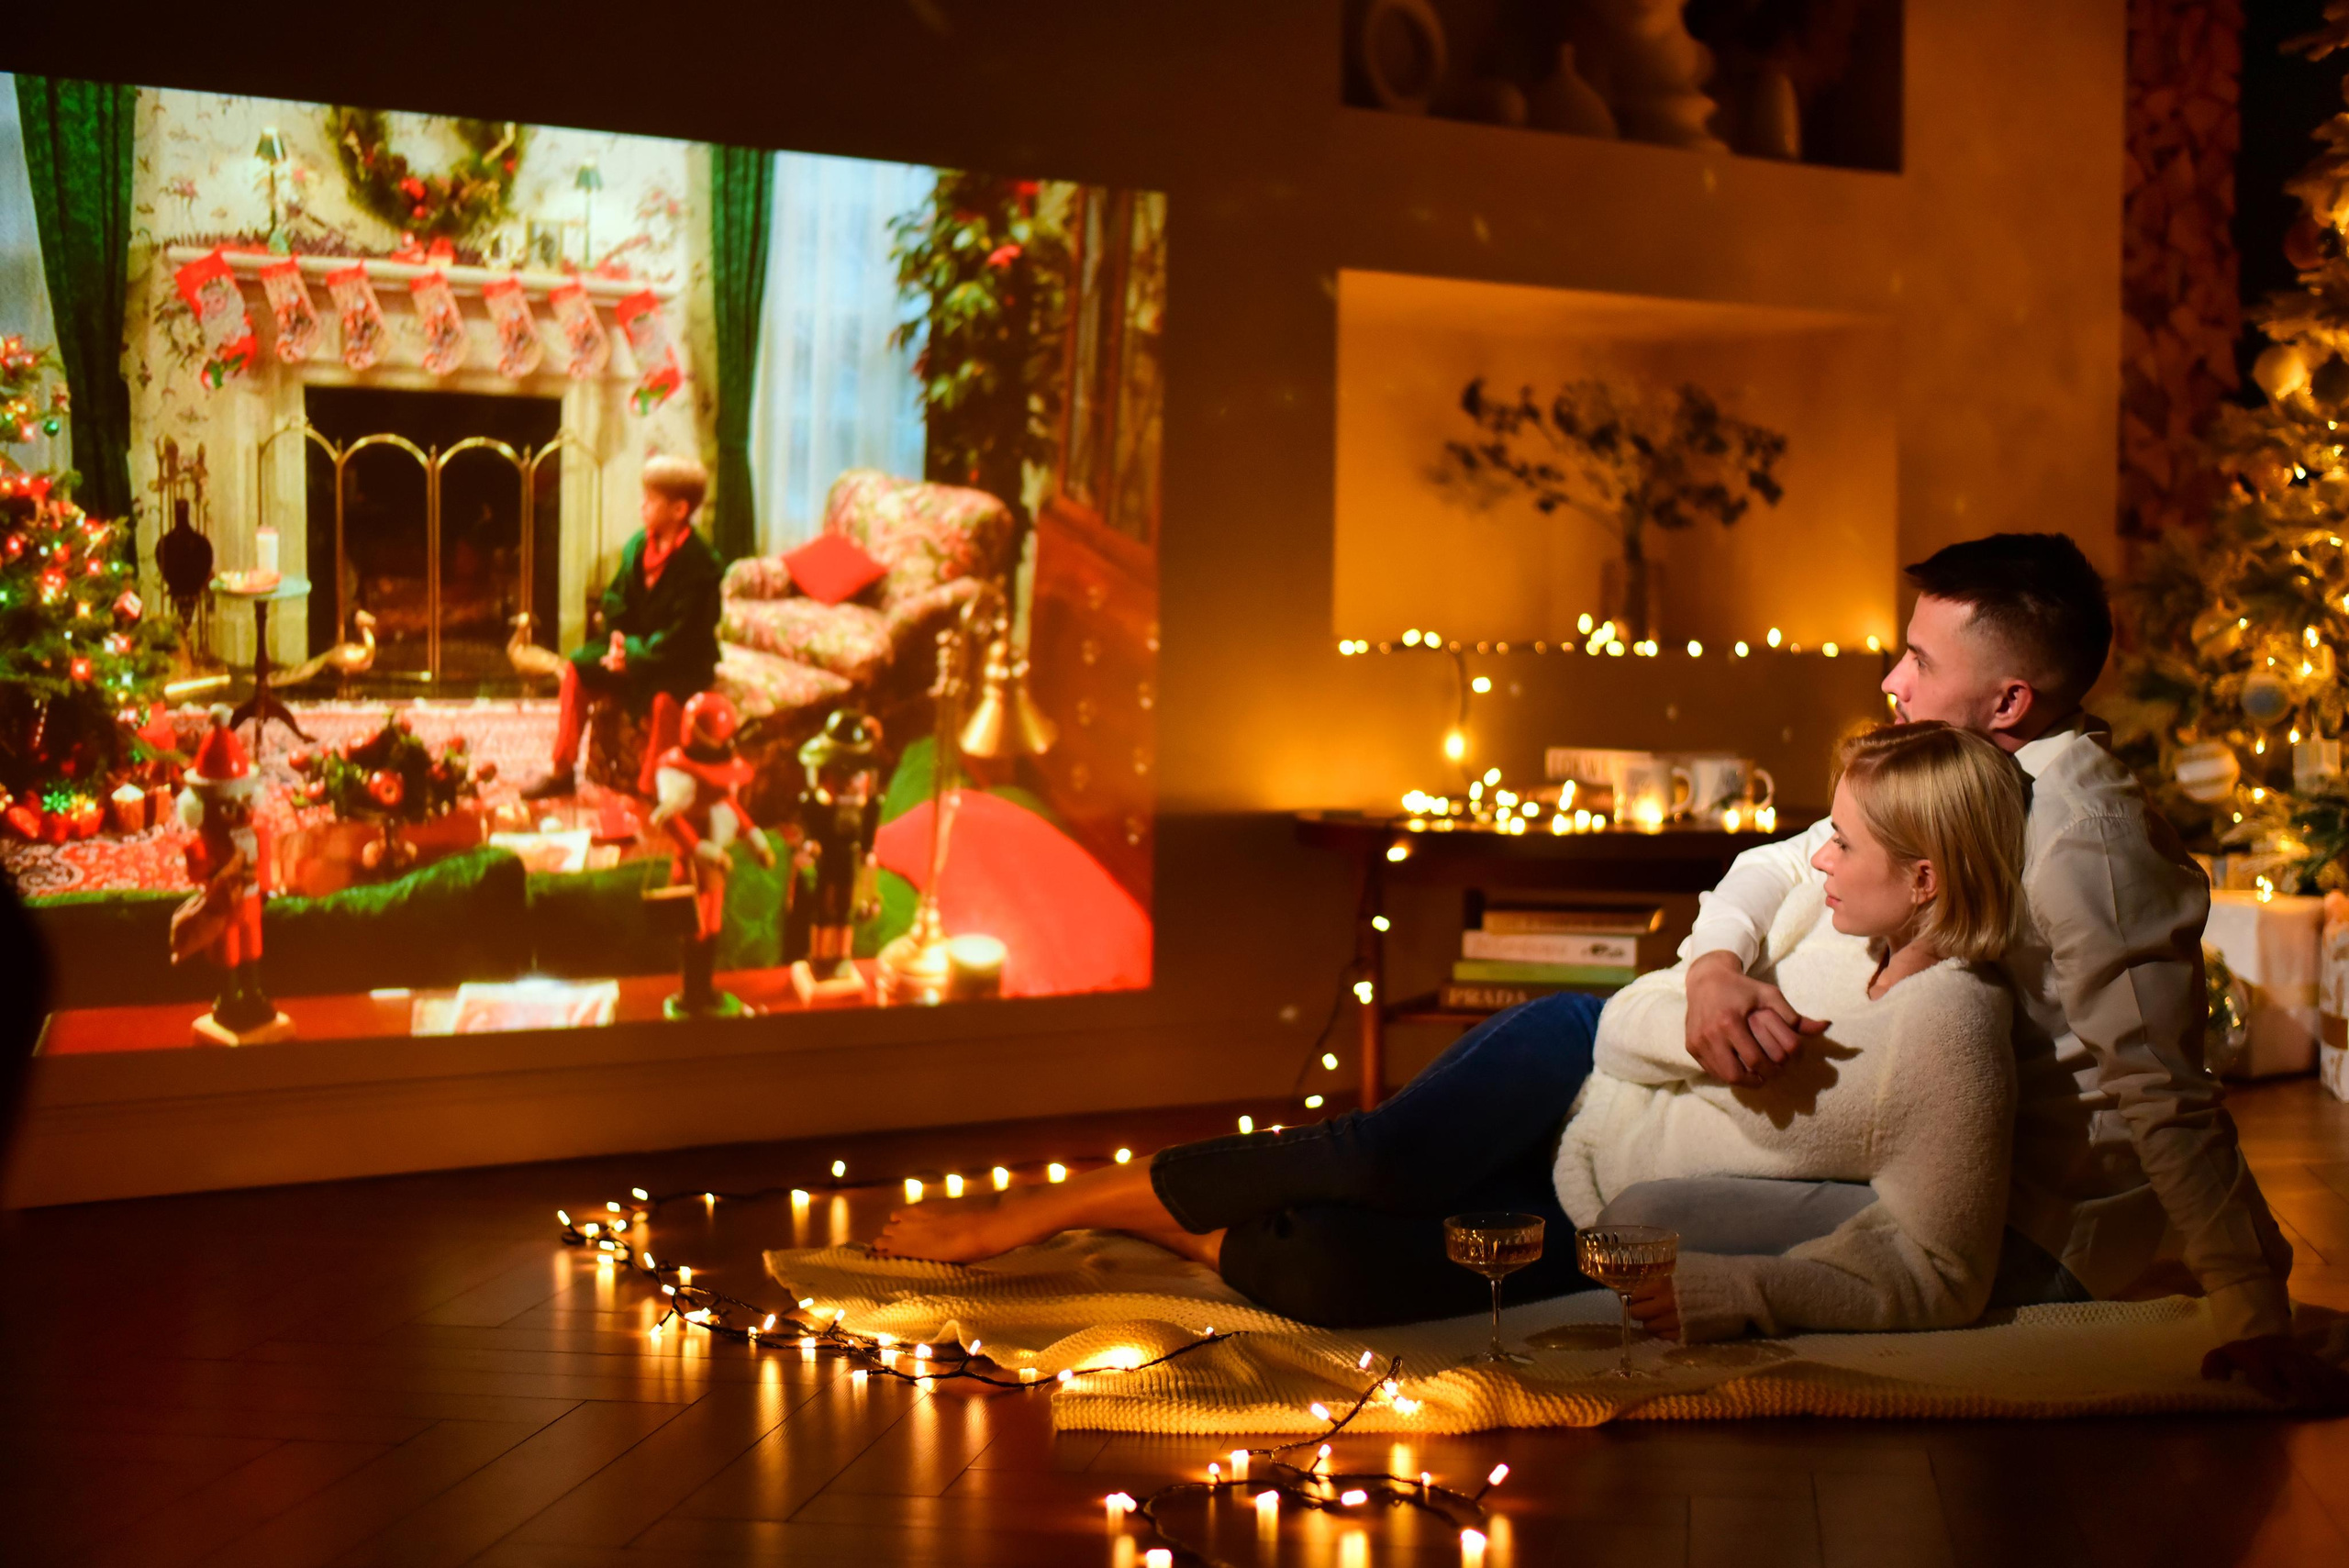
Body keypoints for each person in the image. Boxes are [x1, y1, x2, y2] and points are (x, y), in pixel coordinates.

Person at [873, 723, 2028, 1344]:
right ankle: (1064, 1200)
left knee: (1329, 1273)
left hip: (1585, 1209)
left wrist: (1747, 1293)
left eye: (1841, 845)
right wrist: (1701, 992)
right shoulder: (1815, 909)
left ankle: (1182, 1231)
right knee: (1379, 1159)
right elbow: (1628, 1020)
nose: (1812, 859)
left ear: (1924, 877)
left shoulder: (1950, 1033)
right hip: (1574, 1054)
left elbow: (1940, 1272)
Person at [1679, 532, 2346, 1405]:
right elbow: (1782, 860)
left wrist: (2253, 1309)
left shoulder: (2087, 846)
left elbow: (2165, 1091)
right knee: (1568, 1053)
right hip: (1920, 1147)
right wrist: (1712, 970)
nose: (1893, 679)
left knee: (1641, 1219)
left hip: (2023, 1229)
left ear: (2010, 700)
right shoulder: (1966, 774)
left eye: (1918, 658)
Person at [521, 454, 722, 800]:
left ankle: (650, 790)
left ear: (678, 510)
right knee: (578, 668)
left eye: (652, 499)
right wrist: (618, 641)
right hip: (634, 648)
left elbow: (683, 634)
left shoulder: (700, 566)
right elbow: (616, 599)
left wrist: (631, 655)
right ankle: (561, 769)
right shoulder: (638, 545)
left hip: (680, 662)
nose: (642, 505)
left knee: (663, 702)